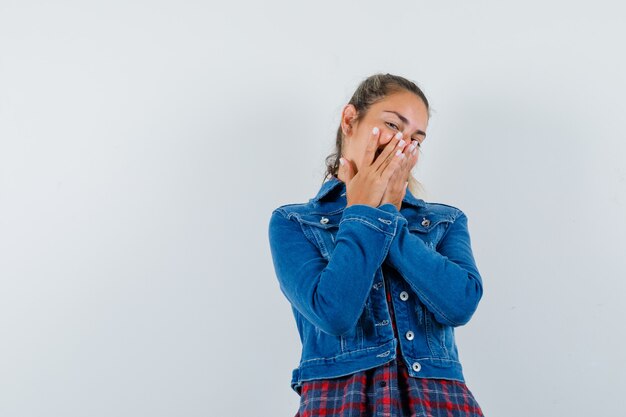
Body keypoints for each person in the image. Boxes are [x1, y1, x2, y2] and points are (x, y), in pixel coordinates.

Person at [268, 73, 485, 417]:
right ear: (350, 120)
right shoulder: (294, 223)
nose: (401, 145)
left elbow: (460, 305)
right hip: (341, 402)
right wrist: (361, 213)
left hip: (440, 404)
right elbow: (335, 312)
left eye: (416, 138)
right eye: (392, 126)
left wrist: (387, 216)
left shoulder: (446, 221)